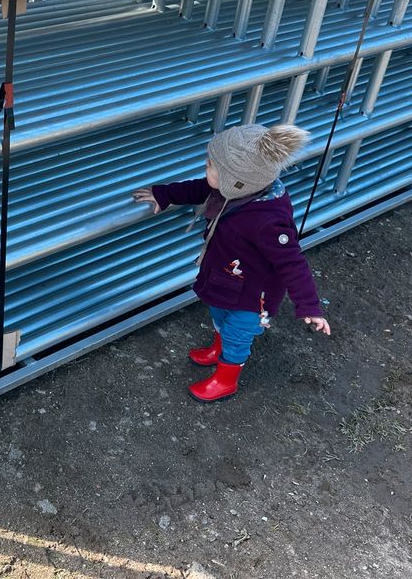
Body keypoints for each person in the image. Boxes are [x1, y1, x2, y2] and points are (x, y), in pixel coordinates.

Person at [133, 123, 331, 402]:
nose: (205, 168)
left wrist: (309, 306)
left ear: (237, 180)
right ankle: (219, 348)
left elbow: (293, 263)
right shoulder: (238, 190)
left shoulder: (268, 221)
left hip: (251, 296)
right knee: (219, 316)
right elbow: (199, 189)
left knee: (238, 334)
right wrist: (163, 194)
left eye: (210, 166)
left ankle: (226, 379)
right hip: (224, 278)